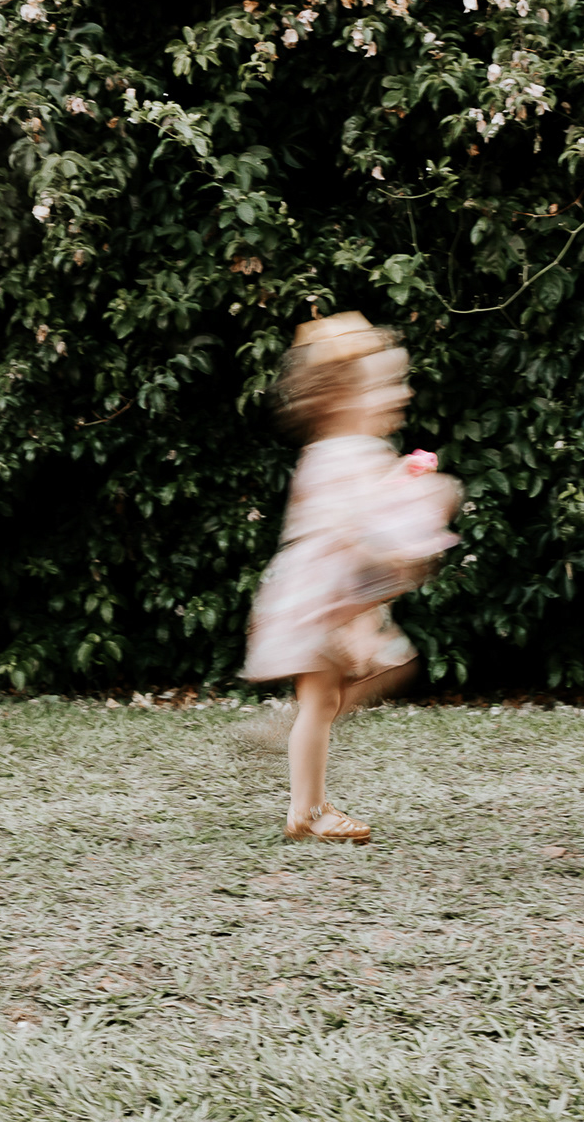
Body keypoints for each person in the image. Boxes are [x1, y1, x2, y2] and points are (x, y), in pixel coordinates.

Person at [241, 313, 461, 843]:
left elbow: (368, 515)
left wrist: (403, 485)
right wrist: (414, 511)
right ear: (341, 399)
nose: (402, 393)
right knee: (338, 695)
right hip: (325, 598)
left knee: (330, 699)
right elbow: (351, 528)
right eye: (387, 385)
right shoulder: (342, 453)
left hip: (331, 594)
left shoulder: (344, 451)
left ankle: (304, 794)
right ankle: (308, 807)